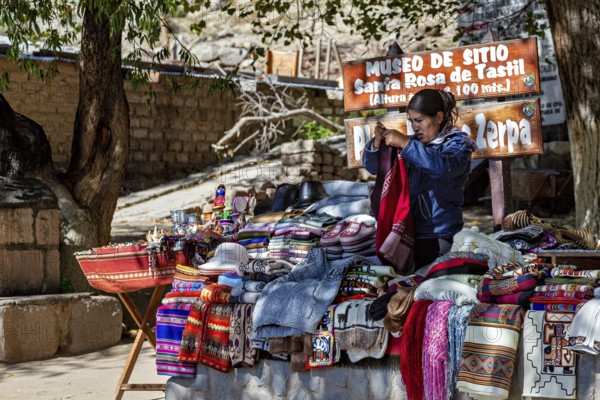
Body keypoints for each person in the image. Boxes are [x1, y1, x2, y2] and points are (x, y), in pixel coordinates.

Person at [363, 88, 476, 269]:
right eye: (412, 121)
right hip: (407, 232)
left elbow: (440, 167)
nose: (415, 127)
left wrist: (406, 144)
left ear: (438, 117)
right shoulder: (412, 145)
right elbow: (373, 167)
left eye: (420, 120)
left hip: (439, 236)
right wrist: (377, 144)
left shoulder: (458, 145)